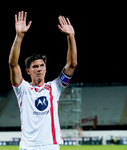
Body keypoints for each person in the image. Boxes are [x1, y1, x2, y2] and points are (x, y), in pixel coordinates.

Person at [9, 11, 77, 150]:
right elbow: (13, 64)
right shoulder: (22, 89)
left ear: (46, 68)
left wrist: (71, 37)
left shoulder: (55, 86)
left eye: (42, 66)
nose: (39, 69)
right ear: (28, 71)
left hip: (50, 145)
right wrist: (19, 36)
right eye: (35, 66)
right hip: (28, 146)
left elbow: (71, 65)